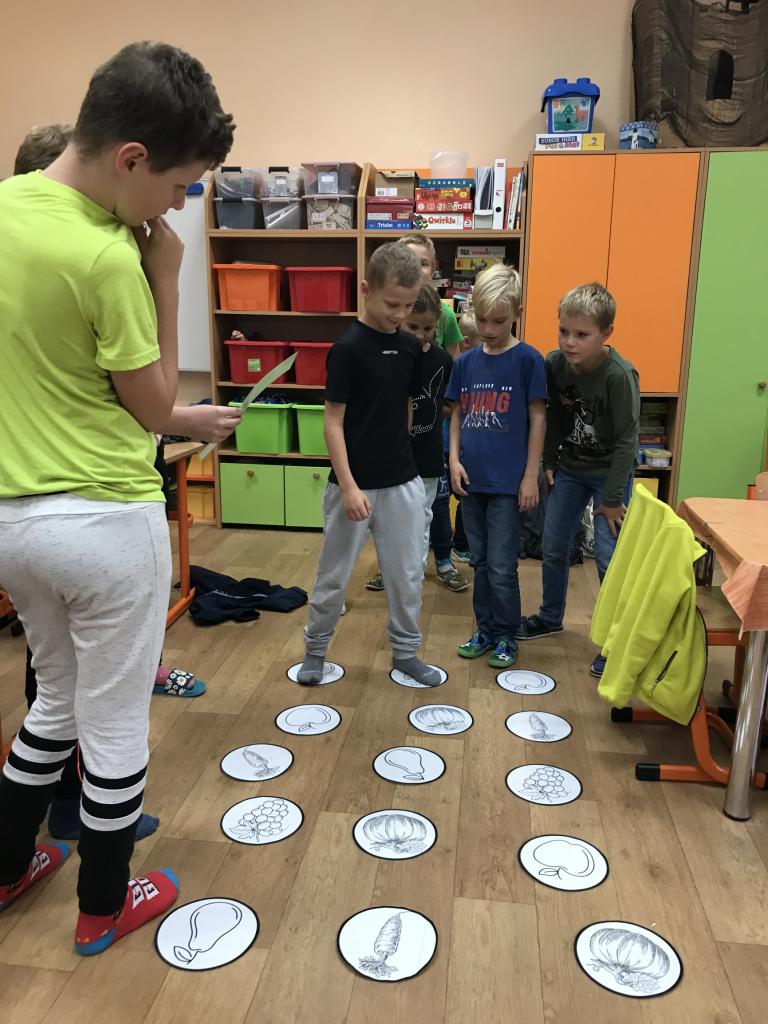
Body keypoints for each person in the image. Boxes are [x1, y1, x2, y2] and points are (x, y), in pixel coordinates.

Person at [0, 42, 234, 954]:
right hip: (102, 518)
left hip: (12, 522)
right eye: (176, 186)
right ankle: (105, 903)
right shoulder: (106, 256)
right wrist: (166, 275)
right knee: (116, 721)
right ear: (131, 158)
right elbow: (156, 408)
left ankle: (8, 866)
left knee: (54, 701)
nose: (174, 206)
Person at [297, 243, 441, 688]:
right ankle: (316, 651)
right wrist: (349, 485)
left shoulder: (410, 347)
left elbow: (406, 408)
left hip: (402, 482)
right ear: (366, 290)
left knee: (406, 575)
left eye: (408, 305)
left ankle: (406, 653)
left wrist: (407, 463)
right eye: (391, 304)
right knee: (334, 576)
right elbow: (333, 422)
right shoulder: (348, 349)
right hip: (352, 486)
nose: (399, 314)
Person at [516, 283, 640, 678]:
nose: (570, 342)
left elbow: (628, 440)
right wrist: (549, 461)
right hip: (570, 469)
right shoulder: (554, 364)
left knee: (607, 559)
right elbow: (552, 415)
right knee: (553, 545)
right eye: (563, 331)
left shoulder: (619, 375)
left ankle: (615, 642)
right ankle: (550, 617)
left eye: (582, 334)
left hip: (609, 477)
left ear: (606, 333)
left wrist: (613, 499)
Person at [447, 265, 547, 668]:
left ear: (517, 313)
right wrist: (453, 459)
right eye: (483, 319)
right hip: (472, 482)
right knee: (480, 562)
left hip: (507, 484)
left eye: (499, 321)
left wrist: (530, 476)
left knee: (503, 566)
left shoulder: (529, 360)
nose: (488, 329)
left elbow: (538, 418)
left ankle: (506, 634)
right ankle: (485, 629)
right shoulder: (466, 362)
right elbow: (456, 413)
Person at [366, 284, 468, 593]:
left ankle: (413, 577)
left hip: (427, 454)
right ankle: (391, 570)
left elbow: (452, 404)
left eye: (428, 328)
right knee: (388, 519)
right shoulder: (387, 356)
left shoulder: (443, 361)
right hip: (392, 455)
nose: (421, 335)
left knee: (422, 518)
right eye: (413, 327)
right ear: (400, 319)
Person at [448, 309, 484, 563]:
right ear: (467, 341)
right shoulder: (462, 367)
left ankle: (463, 544)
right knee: (462, 496)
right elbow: (454, 411)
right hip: (452, 446)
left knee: (465, 496)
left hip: (465, 446)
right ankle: (460, 546)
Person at [397, 233, 462, 358]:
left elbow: (454, 359)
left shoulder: (446, 314)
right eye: (409, 262)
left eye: (423, 263)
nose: (415, 268)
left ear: (433, 270)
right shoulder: (389, 310)